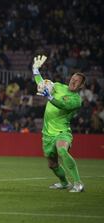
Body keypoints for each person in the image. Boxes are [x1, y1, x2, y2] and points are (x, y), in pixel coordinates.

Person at [33, 55, 85, 192]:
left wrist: (49, 97)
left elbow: (62, 105)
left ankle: (78, 183)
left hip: (62, 132)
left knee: (62, 149)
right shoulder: (59, 86)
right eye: (73, 79)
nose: (73, 82)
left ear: (81, 85)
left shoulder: (76, 100)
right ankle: (64, 183)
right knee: (52, 164)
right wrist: (35, 70)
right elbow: (42, 83)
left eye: (77, 81)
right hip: (47, 133)